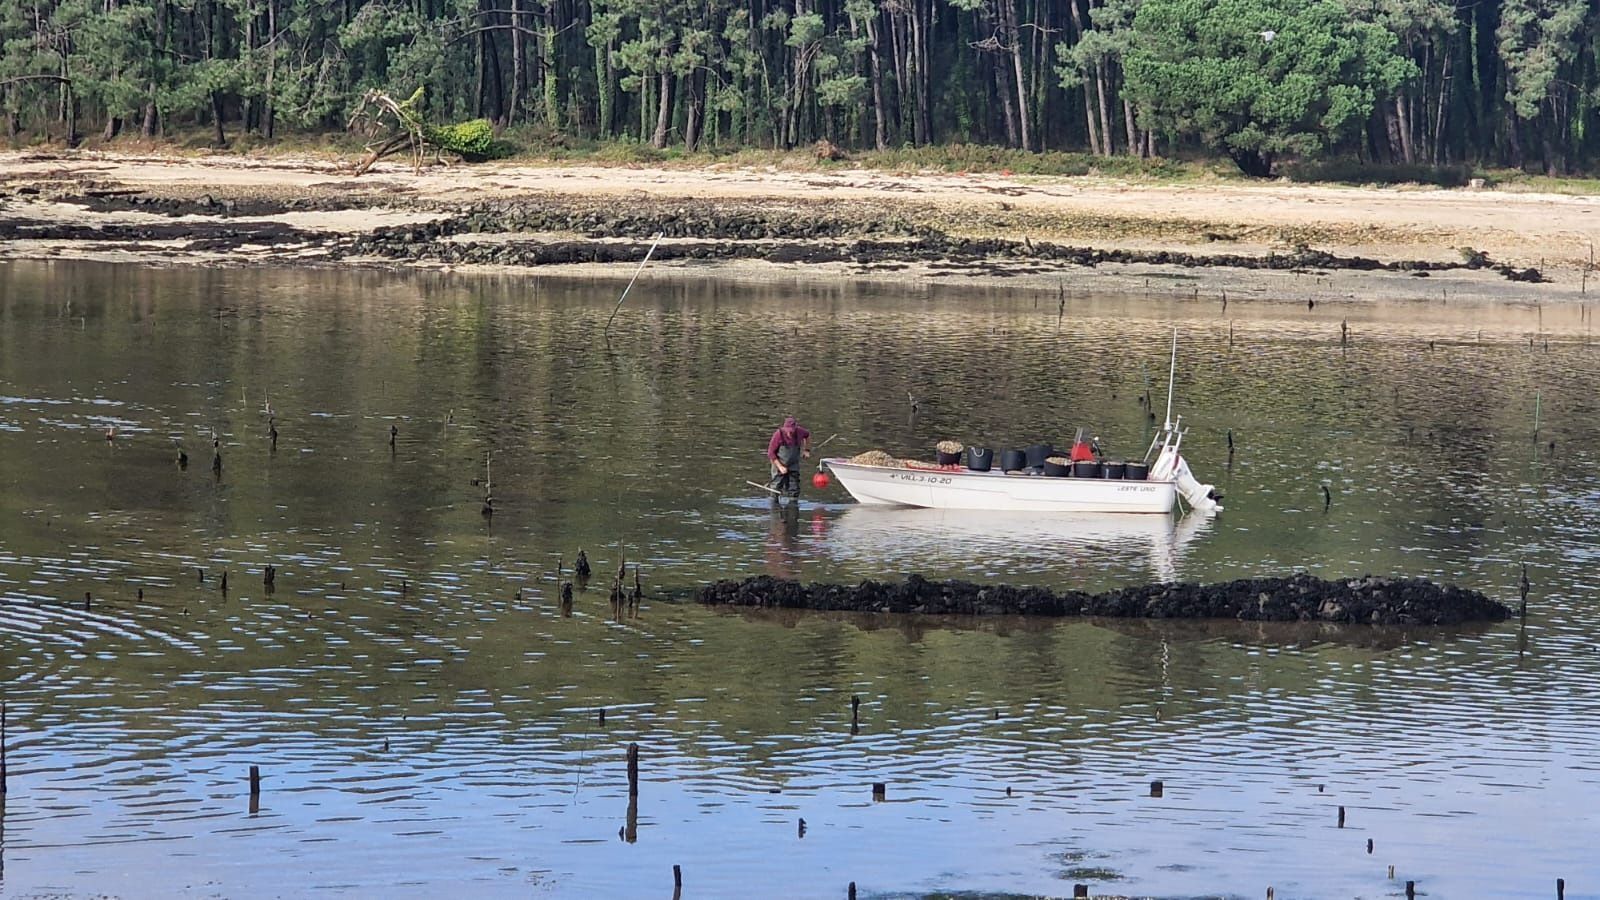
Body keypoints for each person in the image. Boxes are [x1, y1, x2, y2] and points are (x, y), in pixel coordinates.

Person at [766, 416, 811, 498]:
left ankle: (793, 505)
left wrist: (806, 450)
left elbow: (807, 435)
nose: (789, 433)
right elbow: (770, 453)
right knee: (776, 487)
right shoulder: (778, 434)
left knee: (794, 488)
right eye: (788, 431)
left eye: (791, 431)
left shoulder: (800, 431)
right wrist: (780, 467)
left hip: (793, 465)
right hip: (779, 464)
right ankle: (775, 506)